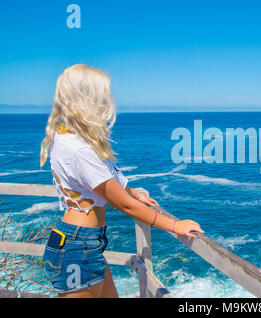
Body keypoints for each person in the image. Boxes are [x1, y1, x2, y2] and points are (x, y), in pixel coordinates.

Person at [39, 64, 204, 298]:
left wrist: (133, 191)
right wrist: (175, 226)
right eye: (103, 94)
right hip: (77, 247)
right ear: (88, 98)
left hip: (84, 244)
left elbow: (106, 179)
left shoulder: (67, 137)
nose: (108, 100)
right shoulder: (79, 150)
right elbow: (125, 205)